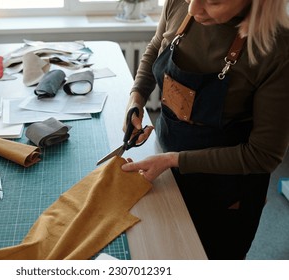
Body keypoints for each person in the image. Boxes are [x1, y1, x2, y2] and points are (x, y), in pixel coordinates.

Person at [121, 0, 289, 259]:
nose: (193, 9)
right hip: (166, 166)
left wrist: (173, 160)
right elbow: (156, 48)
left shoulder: (277, 48)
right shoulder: (179, 4)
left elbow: (263, 155)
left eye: (213, 2)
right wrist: (136, 99)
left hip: (224, 191)